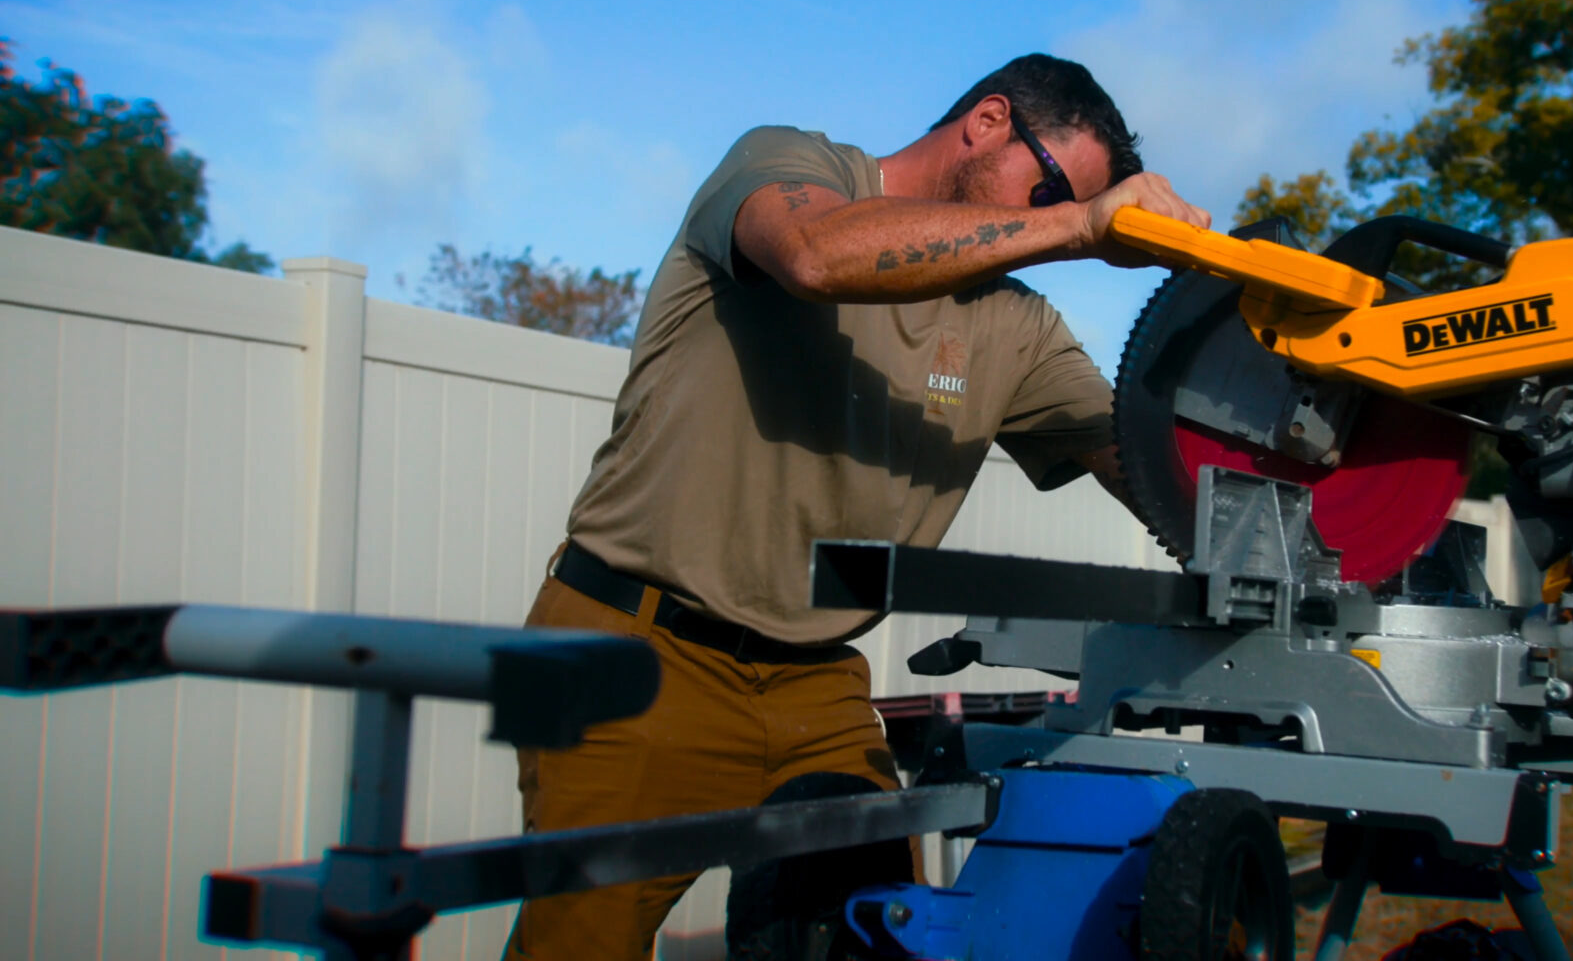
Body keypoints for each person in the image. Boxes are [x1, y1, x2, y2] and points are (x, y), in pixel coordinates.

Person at [505, 53, 1209, 960]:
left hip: (817, 689)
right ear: (988, 122)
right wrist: (1080, 225)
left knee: (874, 937)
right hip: (637, 653)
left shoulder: (1016, 325)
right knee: (578, 949)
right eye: (1047, 190)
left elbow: (1158, 469)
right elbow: (815, 256)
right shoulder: (787, 166)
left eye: (1065, 208)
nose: (1047, 224)